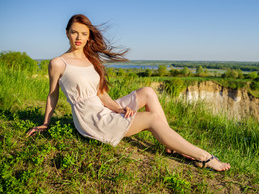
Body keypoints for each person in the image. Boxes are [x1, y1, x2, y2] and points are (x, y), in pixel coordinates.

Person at [26, 14, 231, 171]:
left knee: (148, 92)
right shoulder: (58, 63)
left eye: (84, 34)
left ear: (89, 37)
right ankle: (205, 157)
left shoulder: (90, 60)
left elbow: (101, 94)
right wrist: (46, 123)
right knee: (151, 119)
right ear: (67, 32)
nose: (78, 37)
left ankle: (171, 145)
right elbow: (53, 94)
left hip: (102, 108)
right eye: (74, 32)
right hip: (91, 119)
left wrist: (119, 108)